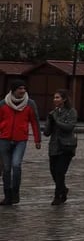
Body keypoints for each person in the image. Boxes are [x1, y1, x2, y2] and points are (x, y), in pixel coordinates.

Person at [0, 78, 41, 206]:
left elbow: (35, 122)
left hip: (20, 140)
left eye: (24, 88)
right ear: (13, 90)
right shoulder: (3, 104)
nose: (23, 91)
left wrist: (37, 139)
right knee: (6, 168)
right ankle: (7, 195)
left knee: (16, 165)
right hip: (4, 139)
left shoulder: (30, 104)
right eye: (20, 89)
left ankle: (15, 193)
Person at [46, 89, 78, 206]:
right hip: (54, 146)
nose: (55, 100)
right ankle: (63, 189)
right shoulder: (52, 113)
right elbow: (47, 132)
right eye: (54, 97)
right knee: (53, 172)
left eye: (57, 97)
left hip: (66, 146)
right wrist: (49, 121)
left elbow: (69, 127)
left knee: (60, 172)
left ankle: (57, 196)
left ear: (64, 99)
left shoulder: (71, 112)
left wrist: (56, 121)